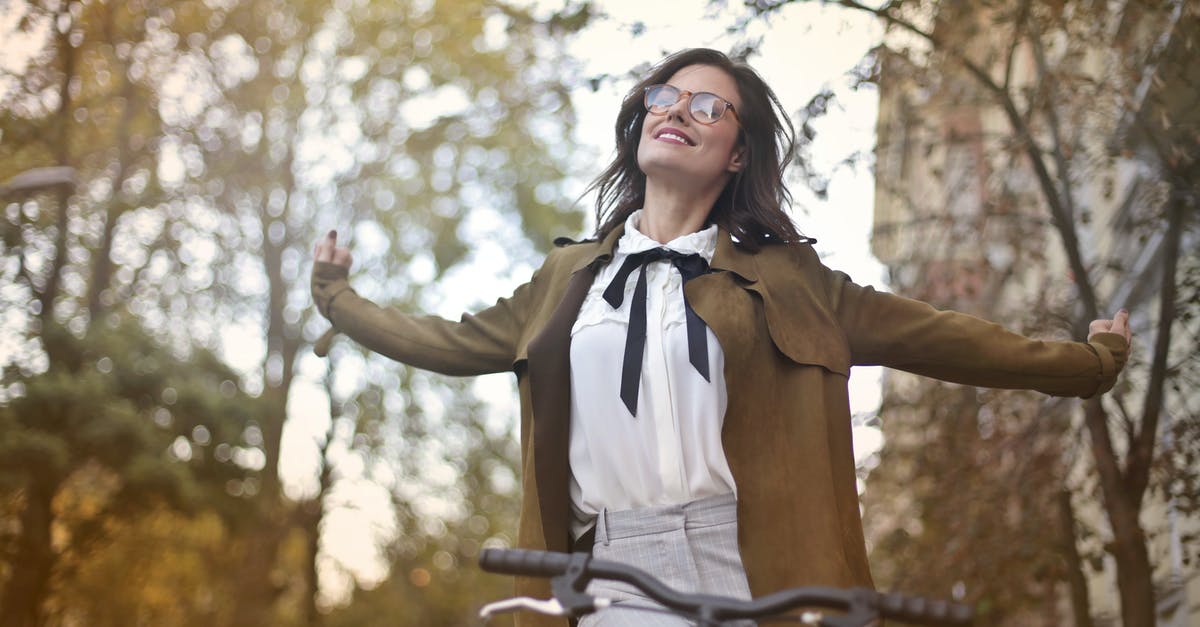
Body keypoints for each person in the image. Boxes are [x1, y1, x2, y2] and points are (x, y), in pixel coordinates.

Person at [312, 48, 1131, 627]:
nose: (676, 110)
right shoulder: (565, 280)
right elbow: (445, 341)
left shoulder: (791, 280)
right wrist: (338, 298)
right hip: (615, 570)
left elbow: (946, 338)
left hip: (762, 563)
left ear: (736, 151)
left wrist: (1091, 363)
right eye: (664, 96)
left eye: (707, 105)